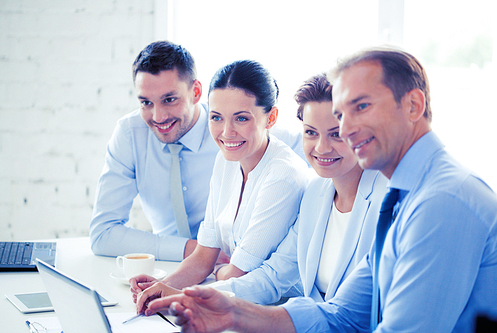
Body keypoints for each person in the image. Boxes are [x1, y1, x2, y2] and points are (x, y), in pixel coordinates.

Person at [149, 47, 497, 333]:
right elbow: (343, 314)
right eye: (342, 114)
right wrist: (233, 311)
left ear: (413, 106)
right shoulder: (405, 196)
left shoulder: (442, 201)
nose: (347, 130)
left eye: (361, 107)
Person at [89, 41, 304, 262]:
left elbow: (318, 154)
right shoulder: (130, 134)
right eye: (146, 103)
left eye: (169, 100)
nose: (158, 116)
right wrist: (195, 252)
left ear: (196, 92)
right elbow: (103, 234)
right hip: (171, 264)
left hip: (240, 269)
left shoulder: (240, 130)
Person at [197, 73, 388, 305]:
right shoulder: (316, 194)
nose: (322, 147)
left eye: (336, 134)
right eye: (311, 132)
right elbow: (275, 275)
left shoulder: (388, 201)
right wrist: (194, 297)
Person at [131, 60, 309, 303]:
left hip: (272, 311)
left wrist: (185, 291)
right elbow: (204, 256)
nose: (226, 132)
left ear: (271, 118)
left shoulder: (283, 175)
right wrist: (163, 286)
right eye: (216, 118)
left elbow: (237, 273)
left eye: (241, 119)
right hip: (226, 299)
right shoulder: (226, 161)